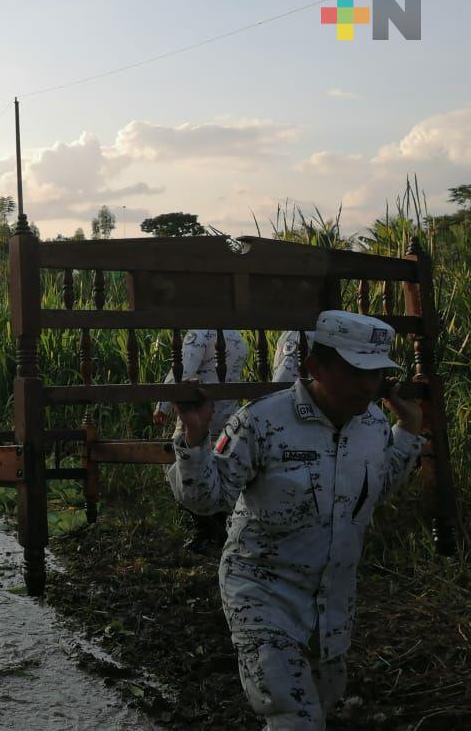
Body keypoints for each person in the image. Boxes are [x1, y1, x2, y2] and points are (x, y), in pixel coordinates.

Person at [165, 311, 423, 731]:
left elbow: (376, 490)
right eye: (355, 370)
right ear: (315, 366)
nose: (367, 385)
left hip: (334, 600)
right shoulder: (262, 421)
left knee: (319, 705)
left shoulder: (374, 425)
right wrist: (194, 437)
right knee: (294, 715)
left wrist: (408, 430)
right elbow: (206, 499)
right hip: (263, 591)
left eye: (376, 374)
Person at [153, 329, 248, 548]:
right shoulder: (236, 337)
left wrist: (162, 405)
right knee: (220, 471)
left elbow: (182, 371)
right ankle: (222, 526)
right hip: (227, 417)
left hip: (198, 414)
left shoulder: (199, 335)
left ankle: (206, 530)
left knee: (179, 467)